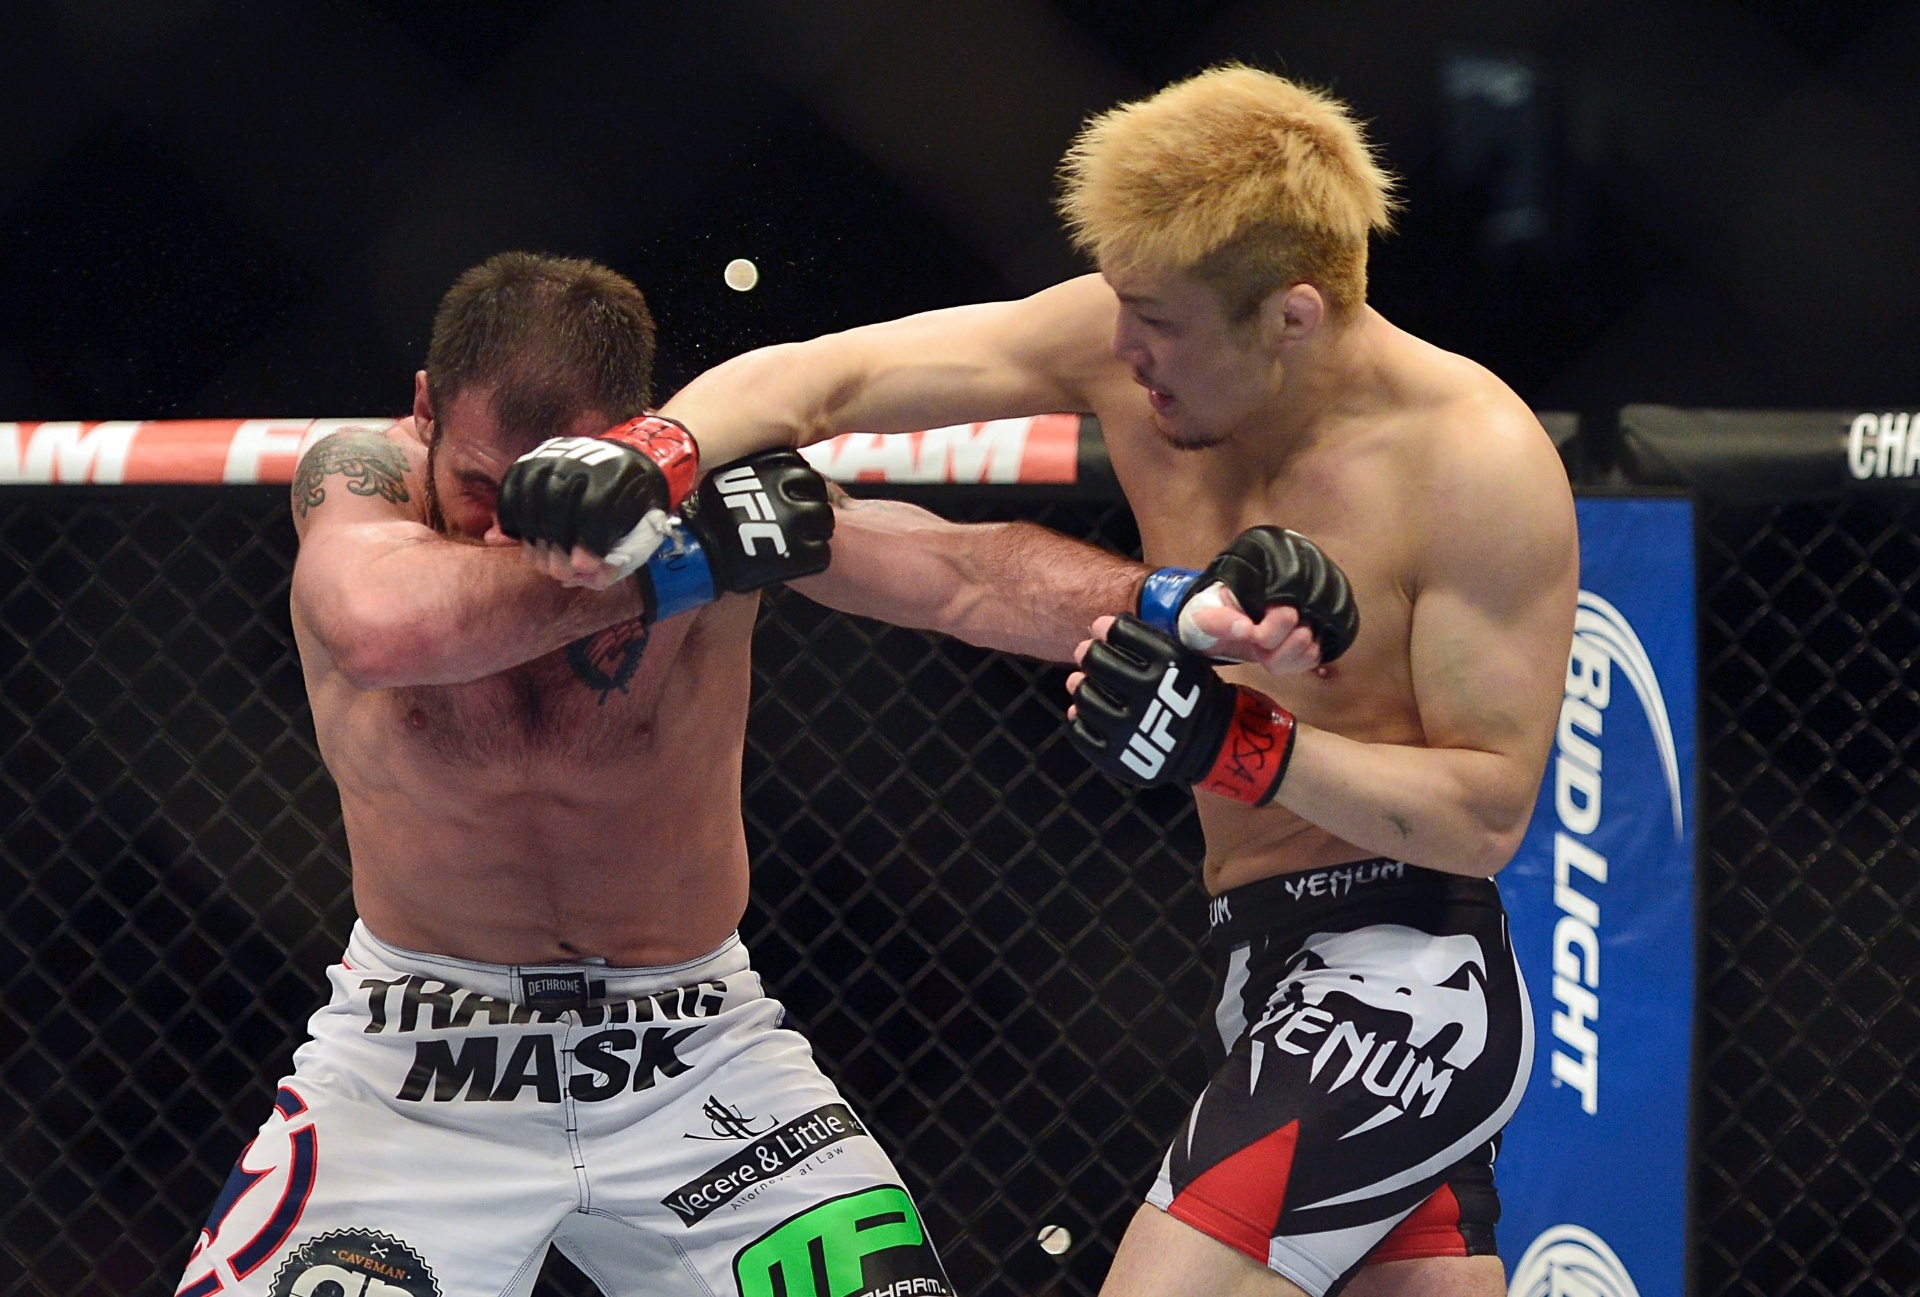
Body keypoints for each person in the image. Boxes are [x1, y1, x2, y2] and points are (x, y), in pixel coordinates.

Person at [500, 66, 1579, 1297]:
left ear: (1292, 315)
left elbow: (1489, 814)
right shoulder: (1134, 338)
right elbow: (829, 378)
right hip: (1255, 961)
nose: (1122, 350)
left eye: (1159, 321)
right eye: (1121, 304)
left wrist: (1244, 748)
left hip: (1402, 981)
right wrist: (654, 454)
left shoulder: (1473, 463)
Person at [171, 251, 1344, 1297]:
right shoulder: (359, 475)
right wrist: (677, 568)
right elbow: (378, 622)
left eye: (549, 492)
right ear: (425, 415)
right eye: (484, 489)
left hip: (693, 1053)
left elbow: (953, 573)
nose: (506, 535)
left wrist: (1175, 600)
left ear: (633, 434)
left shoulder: (706, 483)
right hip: (417, 1054)